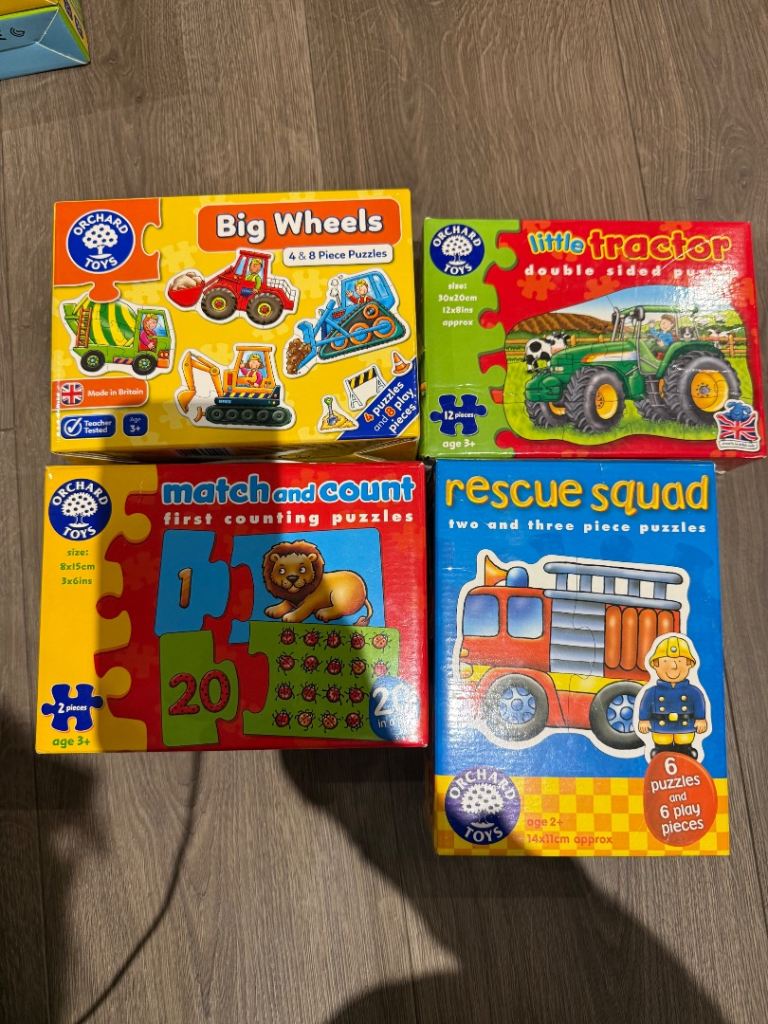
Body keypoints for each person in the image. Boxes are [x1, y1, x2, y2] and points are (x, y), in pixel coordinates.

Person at [637, 635, 708, 758]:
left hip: (685, 726)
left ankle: (685, 753)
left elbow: (699, 703)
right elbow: (645, 705)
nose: (674, 666)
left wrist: (700, 718)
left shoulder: (694, 691)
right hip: (661, 726)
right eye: (666, 661)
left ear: (689, 664)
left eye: (680, 661)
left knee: (685, 745)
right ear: (656, 665)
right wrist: (643, 719)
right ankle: (661, 754)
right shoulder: (651, 692)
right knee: (662, 745)